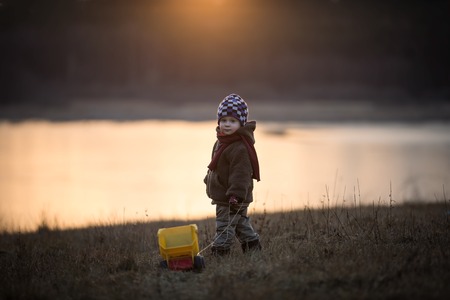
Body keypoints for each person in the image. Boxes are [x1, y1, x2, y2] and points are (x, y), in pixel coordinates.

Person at [204, 93, 262, 256]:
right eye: (223, 120)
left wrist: (235, 195)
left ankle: (220, 254)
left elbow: (241, 174)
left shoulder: (239, 147)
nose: (227, 125)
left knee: (224, 226)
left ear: (241, 123)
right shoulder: (222, 141)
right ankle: (253, 248)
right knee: (240, 224)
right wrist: (209, 179)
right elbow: (217, 166)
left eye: (232, 121)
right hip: (228, 195)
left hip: (231, 198)